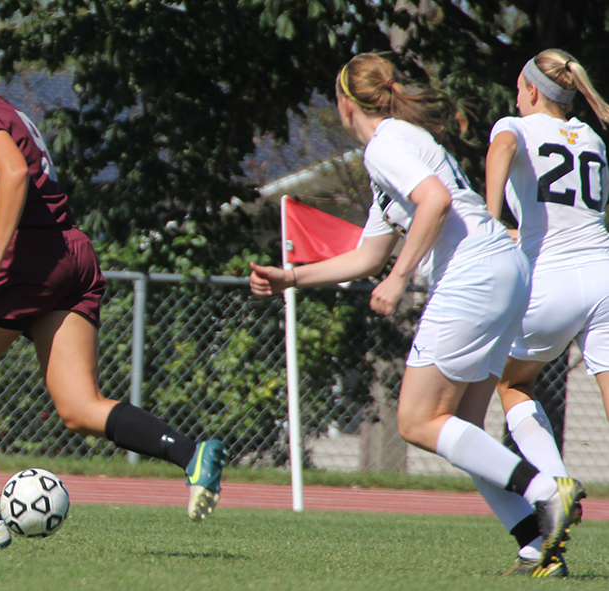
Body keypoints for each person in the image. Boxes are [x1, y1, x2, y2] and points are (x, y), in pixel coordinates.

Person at [248, 52, 586, 577]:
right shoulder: (404, 142)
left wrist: (400, 278)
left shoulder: (385, 144)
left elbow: (433, 203)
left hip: (472, 275)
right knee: (464, 430)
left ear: (344, 103)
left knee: (415, 420)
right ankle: (536, 545)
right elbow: (367, 254)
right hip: (506, 268)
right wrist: (290, 277)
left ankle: (546, 489)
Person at [0, 30, 226, 550]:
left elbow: (12, 176)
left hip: (28, 263)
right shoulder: (8, 111)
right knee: (80, 408)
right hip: (70, 253)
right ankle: (190, 454)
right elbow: (31, 200)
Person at [481, 48, 609, 577]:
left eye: (518, 87)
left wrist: (490, 224)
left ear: (532, 90)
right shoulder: (594, 137)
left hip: (550, 280)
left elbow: (505, 144)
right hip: (604, 274)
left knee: (512, 384)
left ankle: (554, 483)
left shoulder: (514, 124)